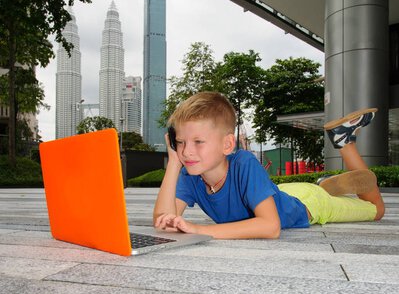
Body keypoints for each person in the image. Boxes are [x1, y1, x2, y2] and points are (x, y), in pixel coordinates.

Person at [153, 92, 385, 239]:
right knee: (284, 194)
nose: (187, 151)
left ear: (227, 144)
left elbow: (270, 227)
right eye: (180, 142)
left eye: (198, 142)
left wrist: (200, 230)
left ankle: (345, 142)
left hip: (310, 205)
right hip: (281, 194)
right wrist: (173, 163)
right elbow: (163, 220)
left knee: (376, 210)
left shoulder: (244, 162)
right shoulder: (190, 172)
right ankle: (323, 185)